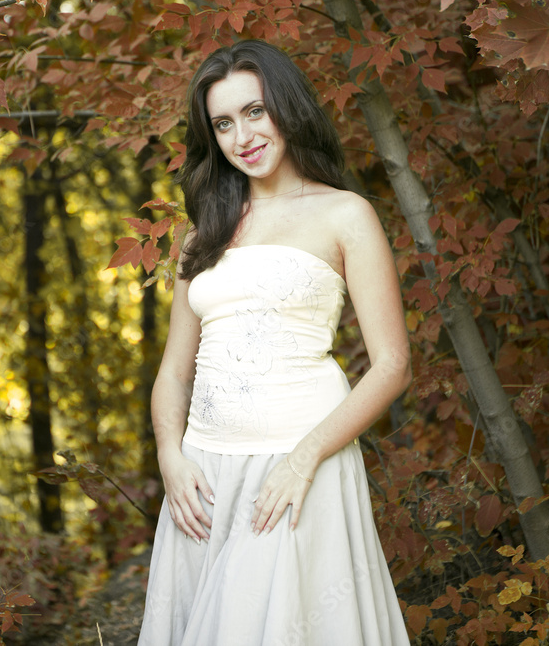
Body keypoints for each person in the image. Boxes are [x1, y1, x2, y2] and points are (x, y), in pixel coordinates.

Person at [138, 39, 412, 645]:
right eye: (224, 123)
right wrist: (170, 457)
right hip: (204, 474)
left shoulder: (345, 215)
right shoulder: (202, 234)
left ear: (286, 108)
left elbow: (392, 366)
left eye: (255, 111)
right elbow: (174, 374)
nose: (244, 136)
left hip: (296, 464)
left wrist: (304, 459)